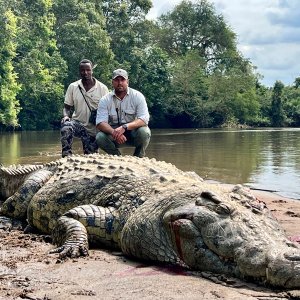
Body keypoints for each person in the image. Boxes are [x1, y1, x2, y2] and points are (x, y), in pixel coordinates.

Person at [96, 68, 151, 158]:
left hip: (132, 132)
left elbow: (144, 119)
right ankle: (117, 157)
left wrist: (124, 127)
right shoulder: (105, 100)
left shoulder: (138, 96)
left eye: (122, 80)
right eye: (117, 80)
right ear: (112, 82)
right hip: (114, 134)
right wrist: (114, 132)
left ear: (127, 82)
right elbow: (100, 123)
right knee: (100, 137)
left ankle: (139, 157)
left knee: (144, 132)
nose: (120, 83)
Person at [60, 59, 109, 157]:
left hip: (94, 128)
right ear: (79, 71)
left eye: (88, 70)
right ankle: (66, 156)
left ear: (92, 71)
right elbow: (66, 108)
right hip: (78, 124)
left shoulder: (103, 89)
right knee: (66, 126)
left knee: (91, 157)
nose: (85, 73)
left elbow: (108, 111)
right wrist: (65, 116)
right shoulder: (73, 87)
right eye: (82, 70)